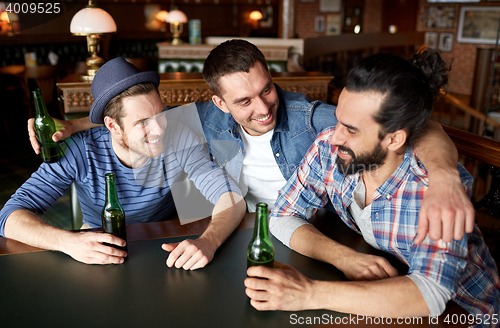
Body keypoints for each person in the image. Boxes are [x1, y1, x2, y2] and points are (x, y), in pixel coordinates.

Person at [28, 40, 474, 244]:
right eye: (244, 101)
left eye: (267, 89)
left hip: (305, 234)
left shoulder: (311, 118)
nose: (263, 108)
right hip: (231, 234)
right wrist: (76, 130)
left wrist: (444, 178)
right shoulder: (199, 120)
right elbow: (137, 126)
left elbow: (414, 126)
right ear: (219, 104)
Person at [244, 50, 500, 319]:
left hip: (465, 316)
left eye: (351, 129)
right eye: (339, 120)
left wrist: (307, 293)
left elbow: (430, 295)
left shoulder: (431, 191)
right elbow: (284, 214)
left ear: (394, 139)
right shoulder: (329, 147)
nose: (335, 137)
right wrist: (344, 258)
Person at [1, 57, 246, 268]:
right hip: (99, 246)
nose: (159, 128)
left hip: (164, 241)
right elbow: (9, 217)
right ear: (112, 126)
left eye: (161, 114)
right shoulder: (79, 150)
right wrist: (68, 241)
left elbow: (230, 197)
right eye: (143, 122)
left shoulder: (178, 135)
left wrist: (208, 241)